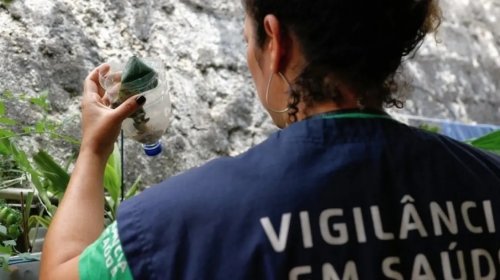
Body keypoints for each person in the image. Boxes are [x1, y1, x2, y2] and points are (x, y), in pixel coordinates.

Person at [40, 0, 500, 279]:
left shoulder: (174, 224)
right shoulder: (488, 181)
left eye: (248, 38)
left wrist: (94, 148)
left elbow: (61, 272)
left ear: (276, 42)